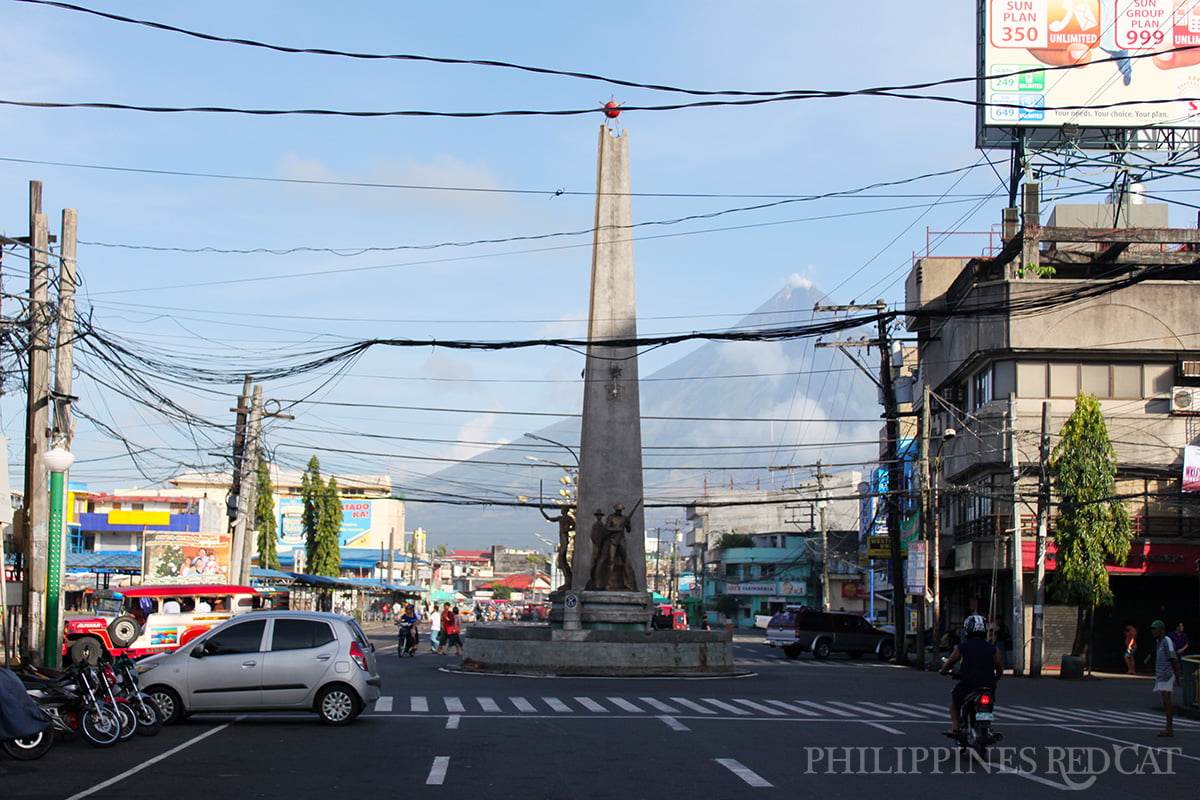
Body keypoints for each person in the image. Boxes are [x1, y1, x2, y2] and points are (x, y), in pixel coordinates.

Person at [938, 614, 1002, 736]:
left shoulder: (962, 647)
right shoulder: (993, 648)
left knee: (955, 700)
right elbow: (999, 667)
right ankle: (988, 727)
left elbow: (950, 662)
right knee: (989, 703)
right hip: (988, 685)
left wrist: (943, 671)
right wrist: (997, 677)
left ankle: (955, 728)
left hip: (968, 685)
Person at [1151, 620, 1183, 737]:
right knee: (1165, 702)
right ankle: (1168, 727)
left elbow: (1173, 659)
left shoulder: (1167, 641)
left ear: (1162, 630)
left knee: (1167, 701)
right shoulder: (1158, 642)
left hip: (1167, 675)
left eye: (1156, 629)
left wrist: (1178, 677)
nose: (1153, 631)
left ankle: (1169, 728)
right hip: (1161, 675)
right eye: (1152, 629)